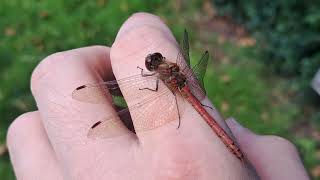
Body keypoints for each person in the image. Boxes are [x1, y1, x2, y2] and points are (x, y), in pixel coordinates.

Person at [7, 13, 309, 180]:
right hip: (190, 93)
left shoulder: (159, 76)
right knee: (196, 107)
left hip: (184, 95)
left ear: (156, 66)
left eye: (153, 63)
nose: (153, 63)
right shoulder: (175, 69)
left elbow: (154, 88)